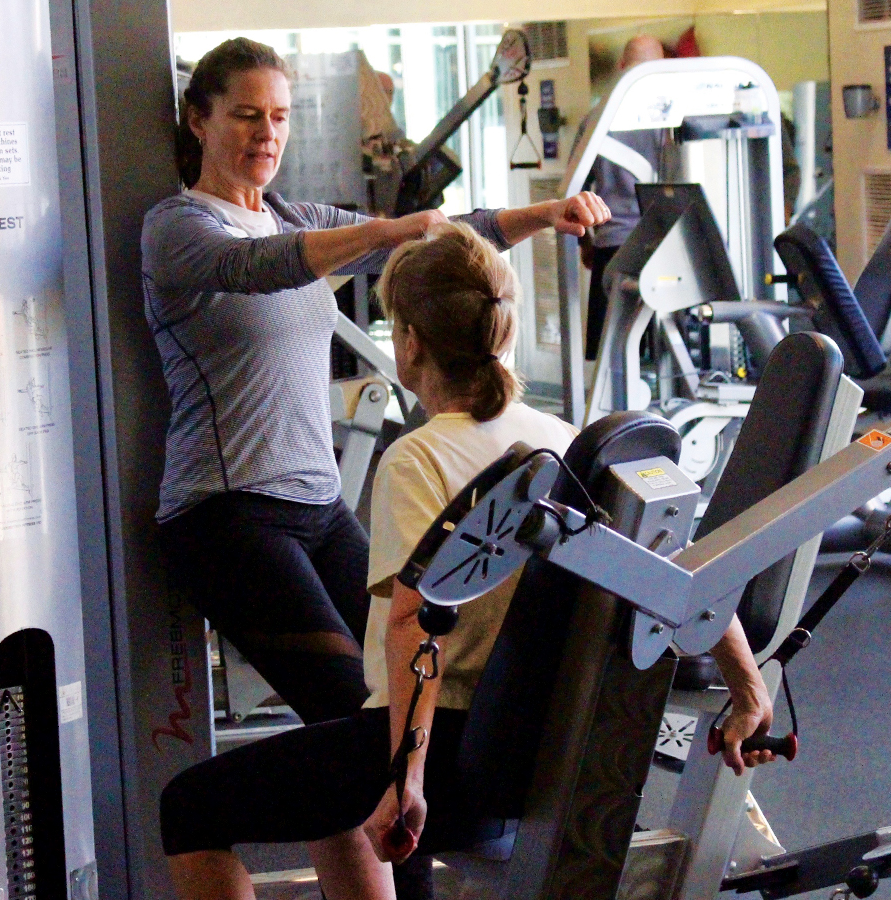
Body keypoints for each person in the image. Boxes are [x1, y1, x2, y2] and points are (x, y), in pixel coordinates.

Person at [159, 221, 777, 900]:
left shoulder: (417, 458)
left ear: (410, 344)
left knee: (189, 807)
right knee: (319, 790)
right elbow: (678, 574)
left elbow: (416, 626)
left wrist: (405, 780)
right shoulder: (563, 441)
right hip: (546, 741)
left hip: (458, 756)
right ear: (503, 334)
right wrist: (748, 691)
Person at [142, 35, 610, 898]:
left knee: (375, 720)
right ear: (199, 119)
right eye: (245, 115)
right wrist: (392, 229)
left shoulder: (294, 217)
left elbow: (443, 246)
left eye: (279, 117)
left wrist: (539, 218)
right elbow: (259, 268)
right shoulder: (181, 228)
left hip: (318, 507)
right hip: (224, 516)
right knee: (362, 724)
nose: (265, 134)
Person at [574, 35, 668, 360]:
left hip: (611, 246)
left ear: (622, 66)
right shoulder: (668, 120)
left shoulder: (596, 119)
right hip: (656, 247)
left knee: (611, 357)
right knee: (655, 359)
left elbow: (577, 191)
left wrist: (586, 242)